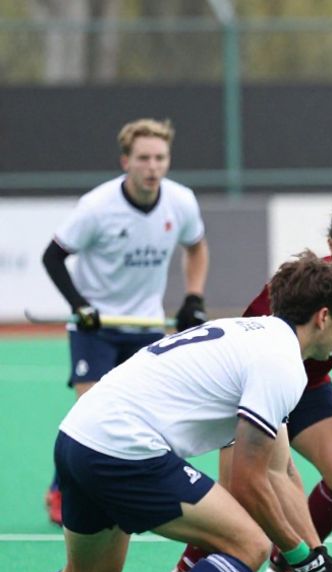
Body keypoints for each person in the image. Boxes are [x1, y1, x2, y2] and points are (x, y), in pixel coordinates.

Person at [0, 255, 332, 572]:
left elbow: (278, 470)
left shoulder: (254, 337)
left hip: (77, 438)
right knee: (247, 542)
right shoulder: (282, 364)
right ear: (323, 316)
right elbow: (247, 481)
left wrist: (313, 554)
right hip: (121, 448)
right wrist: (294, 556)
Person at [162, 196, 332, 572]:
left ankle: (291, 565)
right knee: (243, 488)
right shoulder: (299, 286)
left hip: (308, 387)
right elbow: (250, 344)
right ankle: (188, 567)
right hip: (255, 387)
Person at [40, 117, 212, 525]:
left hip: (146, 323)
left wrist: (193, 296)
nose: (153, 167)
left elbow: (196, 248)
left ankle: (139, 490)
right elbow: (53, 256)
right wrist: (79, 304)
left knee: (148, 414)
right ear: (126, 162)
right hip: (94, 327)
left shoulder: (181, 201)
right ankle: (60, 490)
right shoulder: (97, 207)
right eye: (143, 159)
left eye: (160, 158)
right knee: (90, 414)